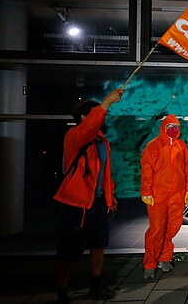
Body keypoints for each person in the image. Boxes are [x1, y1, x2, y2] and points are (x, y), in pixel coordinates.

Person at [53, 88, 123, 304]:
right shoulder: (75, 136)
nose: (101, 118)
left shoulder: (102, 141)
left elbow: (104, 173)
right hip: (76, 203)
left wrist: (110, 197)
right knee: (68, 250)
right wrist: (107, 102)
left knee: (98, 244)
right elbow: (90, 126)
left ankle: (95, 284)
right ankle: (62, 292)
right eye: (95, 114)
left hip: (97, 201)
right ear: (85, 117)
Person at [141, 114, 188, 279]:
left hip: (177, 194)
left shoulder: (181, 146)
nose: (174, 130)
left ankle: (164, 257)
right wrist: (146, 192)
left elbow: (186, 169)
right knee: (156, 230)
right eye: (170, 127)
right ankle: (150, 263)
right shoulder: (153, 146)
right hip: (158, 194)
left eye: (176, 127)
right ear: (164, 128)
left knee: (173, 226)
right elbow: (147, 170)